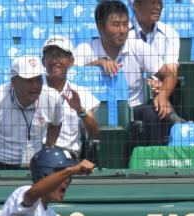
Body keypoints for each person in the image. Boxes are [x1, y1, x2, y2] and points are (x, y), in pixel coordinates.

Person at [75, 0, 178, 147]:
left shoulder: (138, 47)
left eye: (125, 24)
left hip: (133, 109)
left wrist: (162, 95)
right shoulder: (85, 49)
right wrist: (98, 63)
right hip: (97, 113)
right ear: (100, 27)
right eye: (116, 25)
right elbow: (70, 75)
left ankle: (154, 162)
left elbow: (169, 75)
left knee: (152, 113)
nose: (122, 30)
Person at [0, 56, 64, 170]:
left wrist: (48, 147)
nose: (35, 85)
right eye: (29, 80)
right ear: (14, 82)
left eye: (38, 79)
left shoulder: (53, 98)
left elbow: (56, 123)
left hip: (36, 164)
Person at [42, 36, 100, 157]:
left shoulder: (81, 93)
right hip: (39, 153)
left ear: (71, 61)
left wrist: (80, 111)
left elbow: (95, 134)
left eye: (60, 55)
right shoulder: (33, 89)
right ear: (43, 61)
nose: (54, 60)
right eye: (50, 55)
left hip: (68, 156)